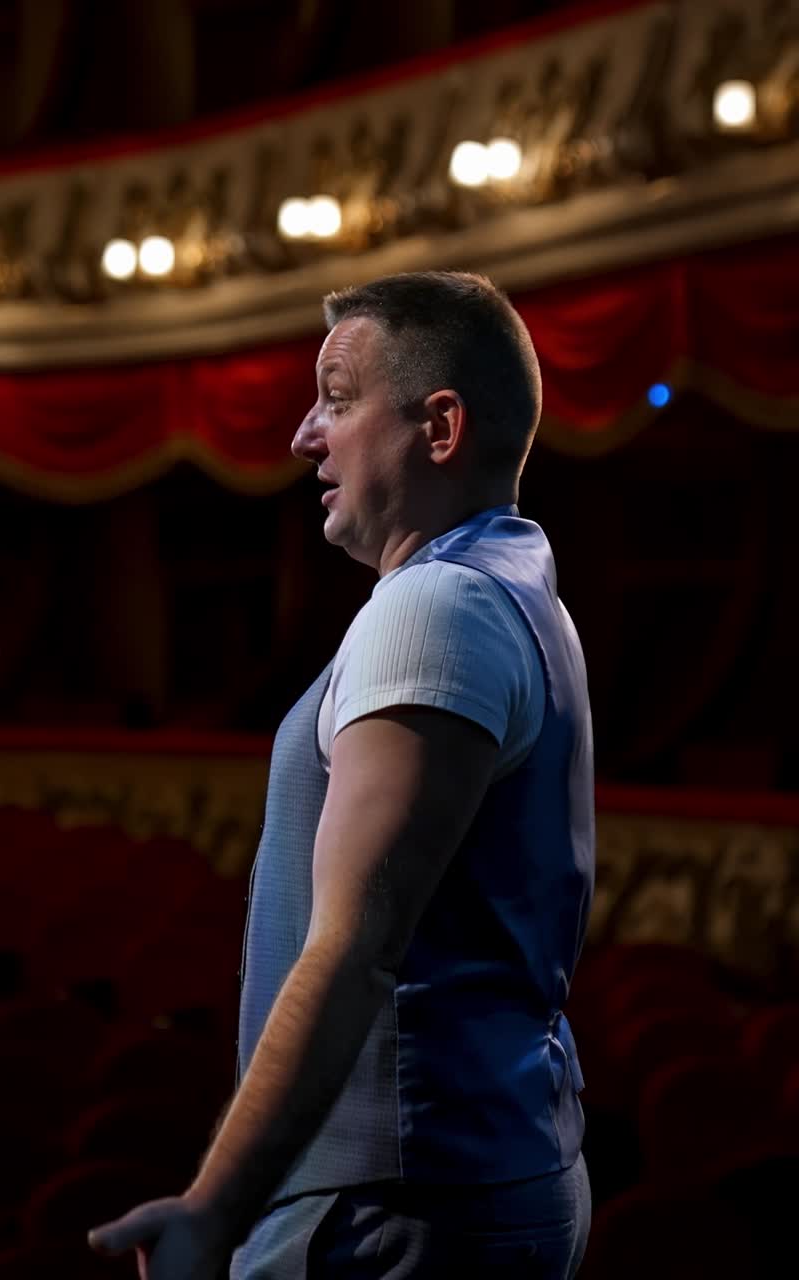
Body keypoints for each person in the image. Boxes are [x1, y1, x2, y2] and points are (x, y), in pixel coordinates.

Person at [88, 271, 595, 1279]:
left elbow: (354, 948)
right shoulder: (511, 582)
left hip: (391, 1206)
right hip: (466, 1176)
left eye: (335, 394)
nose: (302, 435)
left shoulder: (432, 608)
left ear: (437, 426)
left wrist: (216, 1207)